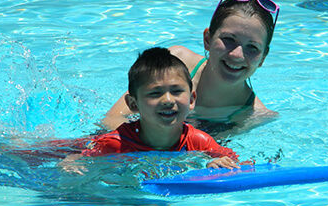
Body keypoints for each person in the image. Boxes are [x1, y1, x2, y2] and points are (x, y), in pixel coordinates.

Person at [101, 0, 280, 136]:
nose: (237, 55)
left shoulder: (253, 115)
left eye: (252, 48)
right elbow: (111, 120)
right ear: (207, 39)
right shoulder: (175, 62)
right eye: (229, 39)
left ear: (263, 57)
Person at [59, 47, 242, 175]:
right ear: (133, 104)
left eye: (177, 91)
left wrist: (218, 163)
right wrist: (73, 160)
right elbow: (83, 157)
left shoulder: (198, 140)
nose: (168, 100)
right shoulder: (115, 144)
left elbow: (232, 158)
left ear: (192, 99)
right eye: (155, 93)